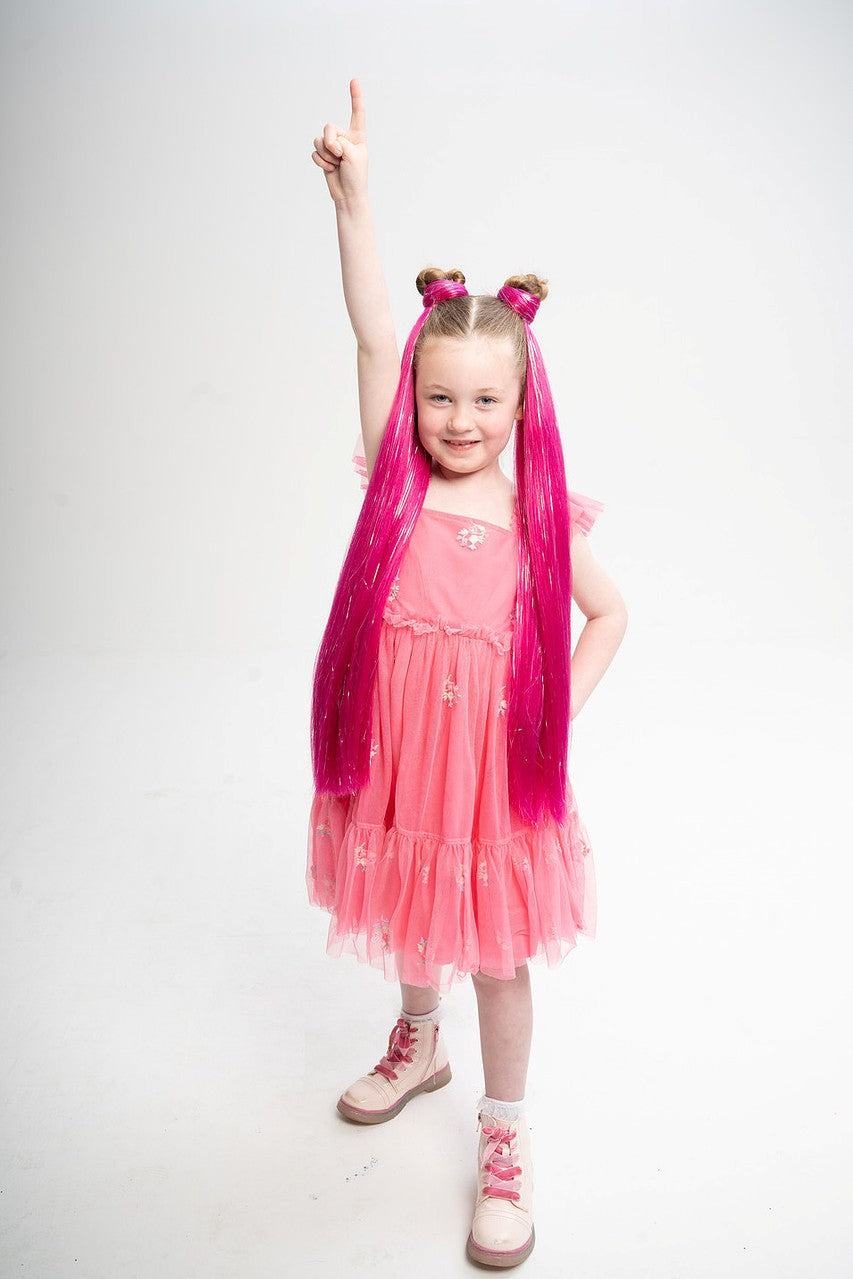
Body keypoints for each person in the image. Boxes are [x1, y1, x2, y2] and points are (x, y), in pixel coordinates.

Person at [306, 79, 628, 1269]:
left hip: (494, 770)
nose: (458, 418)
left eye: (485, 399)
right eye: (439, 396)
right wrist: (354, 202)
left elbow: (610, 614)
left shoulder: (535, 514)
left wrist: (550, 717)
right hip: (400, 753)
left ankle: (503, 1132)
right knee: (406, 900)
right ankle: (417, 1038)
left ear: (522, 402)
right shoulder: (396, 485)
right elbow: (370, 331)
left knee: (496, 947)